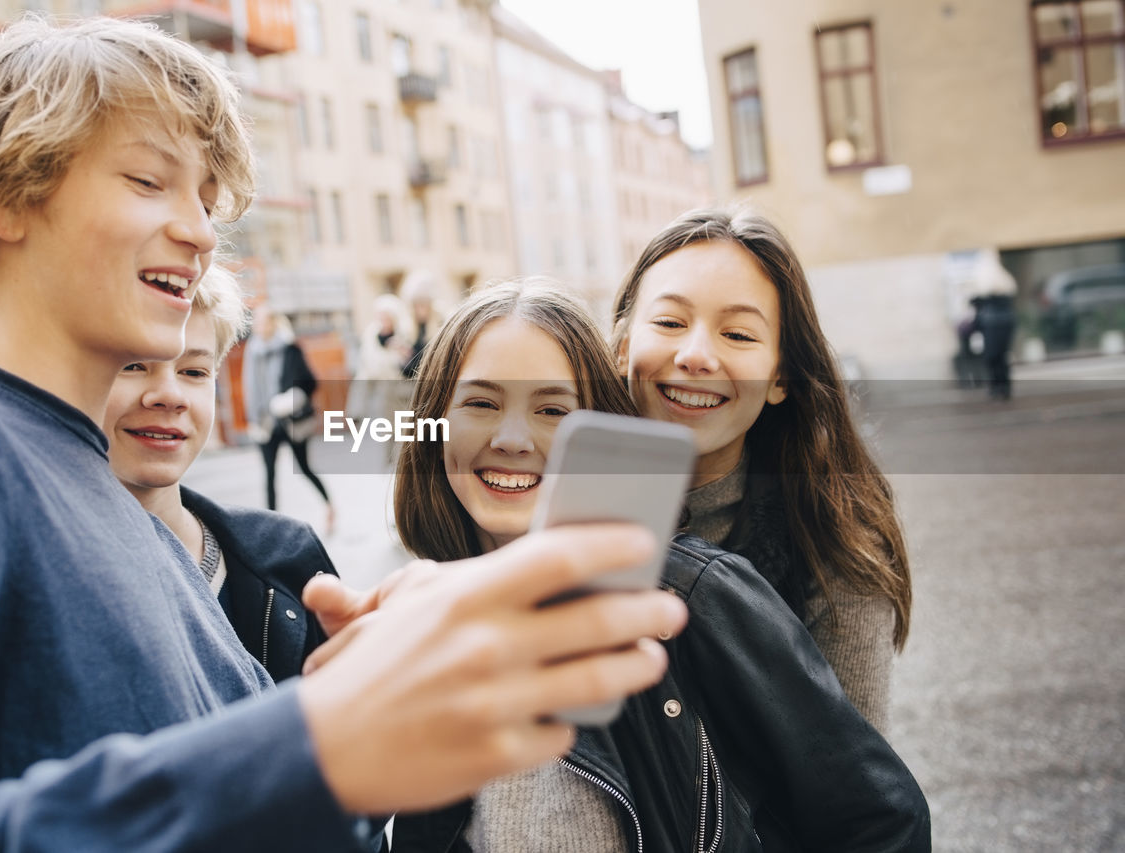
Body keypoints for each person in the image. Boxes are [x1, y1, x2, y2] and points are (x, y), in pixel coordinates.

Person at [0, 16, 687, 851]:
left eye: (208, 202)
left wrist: (364, 687)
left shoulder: (119, 503)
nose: (202, 232)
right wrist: (311, 742)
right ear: (2, 191)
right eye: (149, 181)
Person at [389, 278, 929, 852]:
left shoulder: (693, 595)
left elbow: (882, 820)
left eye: (552, 409)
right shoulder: (427, 624)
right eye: (479, 403)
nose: (513, 438)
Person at [611, 206, 913, 731]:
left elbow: (849, 792)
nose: (697, 355)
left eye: (739, 335)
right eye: (669, 322)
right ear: (621, 348)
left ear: (781, 378)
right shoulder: (536, 495)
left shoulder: (832, 543)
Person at [104, 268, 337, 682]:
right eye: (134, 364)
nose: (170, 395)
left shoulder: (290, 555)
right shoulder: (33, 576)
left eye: (194, 372)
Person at [242, 302, 334, 530]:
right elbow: (249, 388)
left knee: (304, 467)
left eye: (264, 321)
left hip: (290, 420)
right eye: (257, 321)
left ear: (273, 323)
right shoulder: (252, 351)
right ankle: (272, 525)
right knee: (269, 475)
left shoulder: (290, 348)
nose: (259, 326)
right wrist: (253, 421)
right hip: (265, 423)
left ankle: (329, 505)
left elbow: (310, 382)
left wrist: (291, 399)